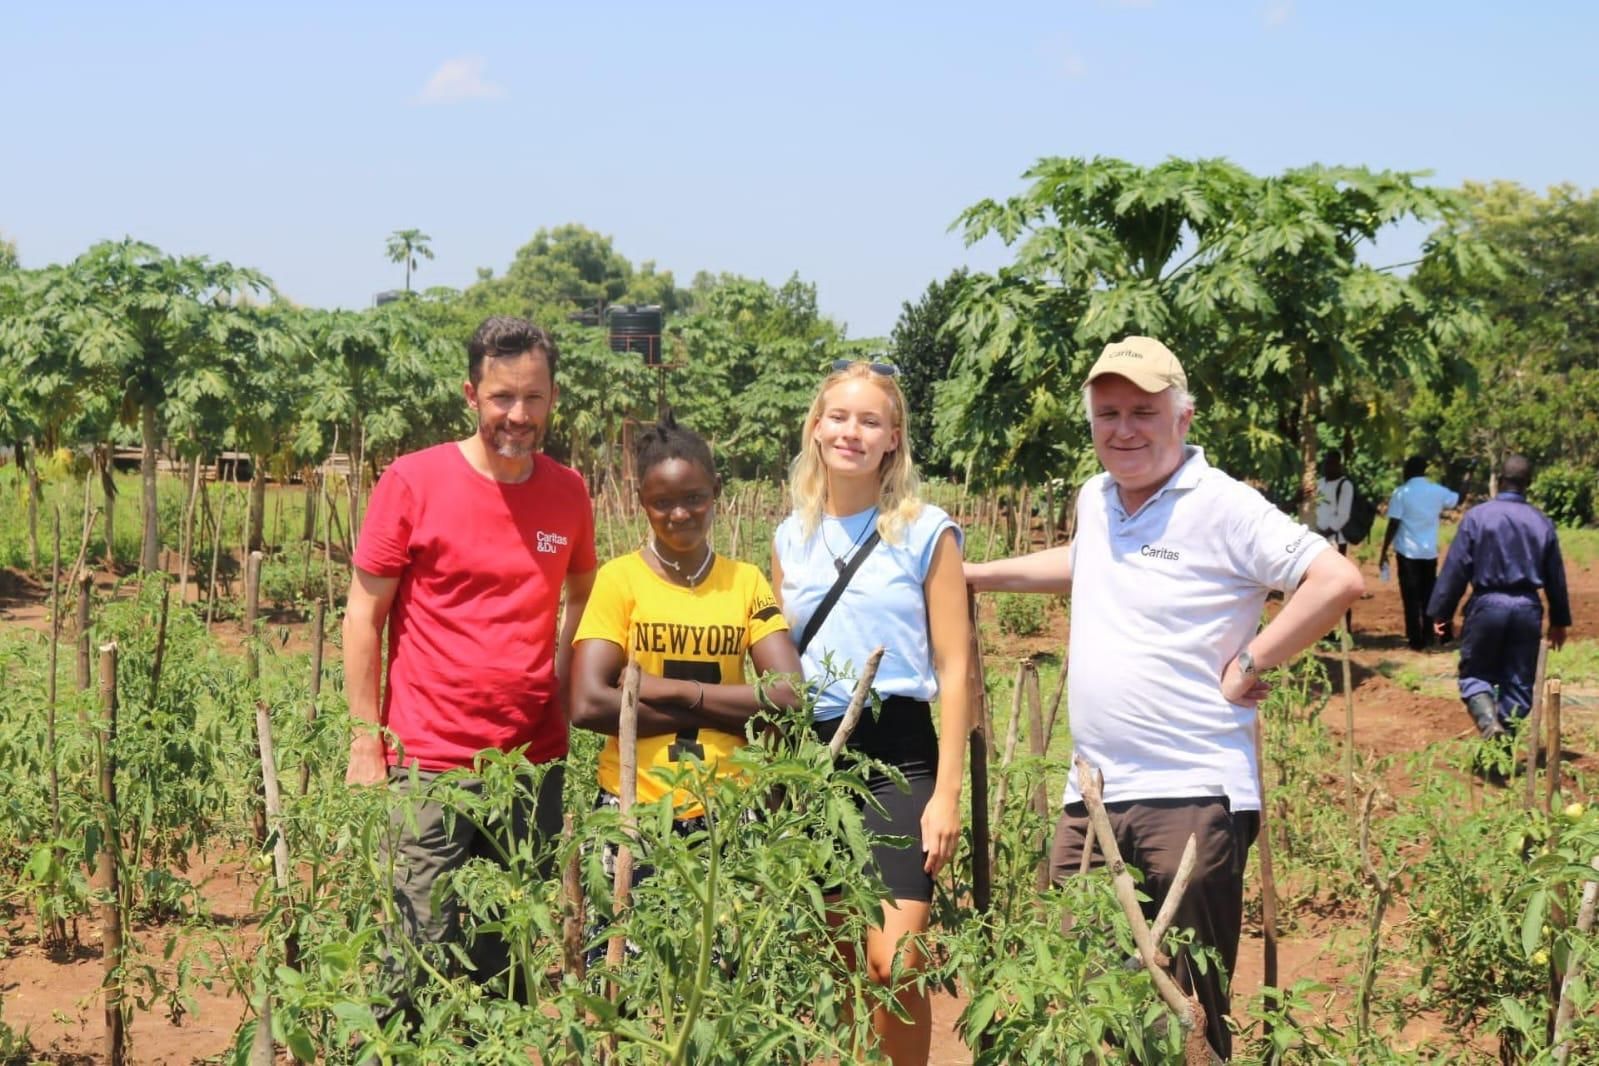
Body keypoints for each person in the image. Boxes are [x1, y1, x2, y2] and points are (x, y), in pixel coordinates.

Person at [964, 336, 1363, 1060]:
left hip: (1190, 793)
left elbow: (1335, 580)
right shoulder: (1095, 498)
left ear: (1183, 417)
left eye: (1143, 412)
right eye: (1107, 414)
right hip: (1090, 795)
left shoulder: (1223, 505)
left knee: (1186, 1014)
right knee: (1086, 1002)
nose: (1123, 430)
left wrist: (1251, 659)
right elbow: (1087, 562)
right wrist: (976, 574)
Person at [343, 315, 597, 1007]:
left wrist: (560, 685)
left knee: (506, 961)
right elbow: (363, 615)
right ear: (470, 394)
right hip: (428, 762)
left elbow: (582, 591)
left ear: (553, 397)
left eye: (534, 397)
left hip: (530, 766)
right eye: (502, 397)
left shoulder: (568, 491)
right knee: (415, 959)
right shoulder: (412, 481)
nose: (519, 415)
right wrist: (366, 742)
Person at [771, 360, 972, 1066]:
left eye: (869, 421)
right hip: (814, 758)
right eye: (838, 417)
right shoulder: (789, 537)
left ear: (894, 438)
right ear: (815, 428)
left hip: (898, 754)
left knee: (897, 964)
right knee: (843, 964)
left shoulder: (925, 531)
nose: (850, 432)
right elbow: (780, 664)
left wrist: (946, 795)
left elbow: (955, 667)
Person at [570, 413, 801, 859]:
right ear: (642, 501)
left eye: (694, 498)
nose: (679, 514)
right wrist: (728, 714)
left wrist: (669, 690)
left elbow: (789, 696)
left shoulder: (746, 582)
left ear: (716, 490)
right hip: (633, 809)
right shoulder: (619, 579)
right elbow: (587, 704)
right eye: (662, 502)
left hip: (730, 810)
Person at [1427, 455, 1571, 739]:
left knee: (1475, 674)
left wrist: (1442, 613)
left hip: (1487, 606)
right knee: (1518, 683)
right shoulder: (1542, 522)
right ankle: (1501, 744)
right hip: (1527, 609)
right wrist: (1559, 621)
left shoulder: (1477, 517)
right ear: (1528, 483)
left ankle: (1489, 723)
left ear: (1501, 481)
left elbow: (1456, 568)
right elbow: (1555, 576)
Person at [1378, 456, 1460, 650]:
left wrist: (1384, 550)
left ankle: (1415, 639)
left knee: (1410, 597)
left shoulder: (1401, 493)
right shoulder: (1436, 491)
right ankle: (1429, 636)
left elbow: (1394, 523)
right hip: (1429, 552)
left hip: (1407, 553)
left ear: (1408, 470)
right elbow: (1456, 499)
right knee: (1428, 595)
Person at [1315, 449, 1354, 555]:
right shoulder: (1319, 483)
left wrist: (1325, 534)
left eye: (1331, 463)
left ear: (1338, 465)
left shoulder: (1345, 485)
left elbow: (1343, 516)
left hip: (1335, 539)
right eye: (1326, 463)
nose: (1327, 467)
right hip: (1318, 537)